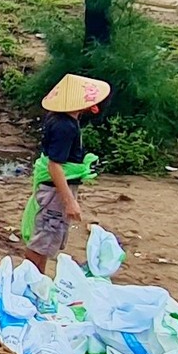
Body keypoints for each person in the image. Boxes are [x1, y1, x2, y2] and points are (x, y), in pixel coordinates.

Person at [20, 74, 109, 274]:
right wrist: (69, 201)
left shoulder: (60, 119)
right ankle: (33, 286)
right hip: (55, 193)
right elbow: (55, 165)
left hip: (53, 190)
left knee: (45, 238)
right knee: (43, 240)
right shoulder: (65, 126)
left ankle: (34, 282)